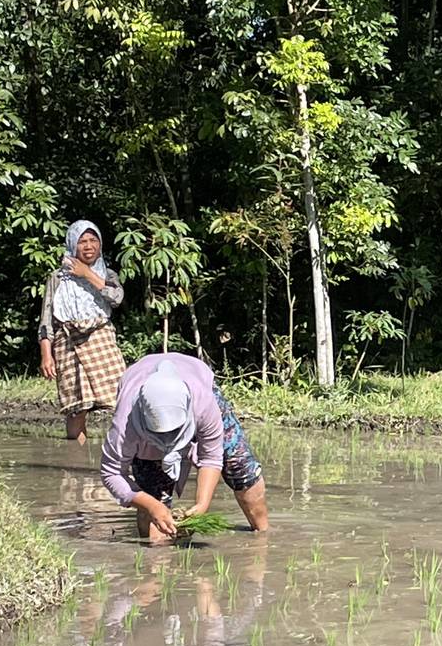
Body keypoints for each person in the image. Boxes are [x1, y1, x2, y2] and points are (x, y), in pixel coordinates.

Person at [100, 353, 270, 540]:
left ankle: (262, 538)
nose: (167, 439)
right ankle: (155, 554)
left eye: (173, 432)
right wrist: (151, 505)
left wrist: (202, 504)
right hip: (140, 414)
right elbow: (112, 472)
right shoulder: (125, 424)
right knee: (152, 492)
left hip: (197, 383)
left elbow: (211, 457)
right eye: (160, 434)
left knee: (239, 466)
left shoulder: (203, 404)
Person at [39, 219, 127, 442]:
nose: (88, 246)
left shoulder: (108, 275)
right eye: (82, 241)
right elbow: (46, 320)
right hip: (67, 343)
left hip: (100, 339)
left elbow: (116, 298)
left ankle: (124, 453)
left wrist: (86, 273)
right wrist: (46, 355)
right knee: (77, 407)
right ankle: (76, 457)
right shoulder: (57, 278)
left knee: (121, 399)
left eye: (93, 240)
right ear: (72, 245)